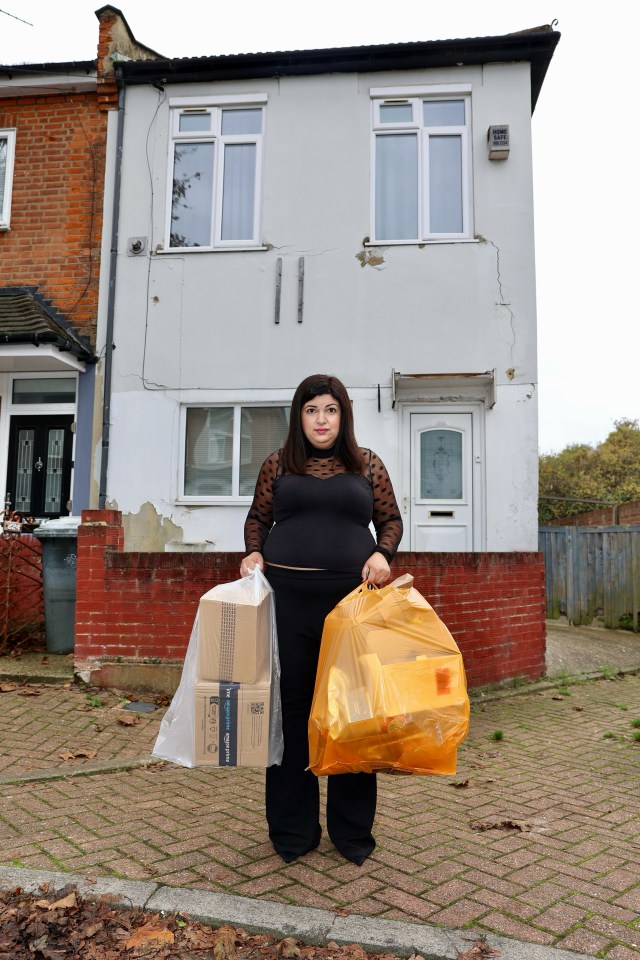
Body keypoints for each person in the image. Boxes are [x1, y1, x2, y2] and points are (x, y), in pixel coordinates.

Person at [240, 373, 403, 866]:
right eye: (312, 410)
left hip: (350, 607)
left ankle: (352, 835)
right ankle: (293, 833)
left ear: (343, 415)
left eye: (330, 410)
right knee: (291, 715)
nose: (321, 420)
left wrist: (382, 552)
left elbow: (391, 520)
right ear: (299, 416)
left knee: (352, 715)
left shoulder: (367, 464)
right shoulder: (279, 465)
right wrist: (253, 553)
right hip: (287, 602)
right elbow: (256, 519)